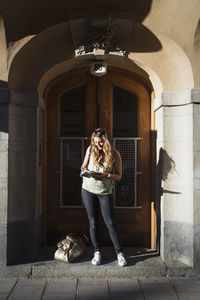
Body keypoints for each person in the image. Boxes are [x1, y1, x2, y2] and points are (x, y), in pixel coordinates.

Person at [81, 128, 127, 267]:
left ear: (106, 140)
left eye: (101, 142)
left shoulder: (114, 154)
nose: (98, 145)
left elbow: (119, 176)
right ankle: (97, 252)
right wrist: (85, 171)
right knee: (93, 222)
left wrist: (106, 175)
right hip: (88, 190)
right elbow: (83, 166)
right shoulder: (90, 149)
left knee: (110, 223)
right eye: (96, 142)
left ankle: (119, 253)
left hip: (105, 192)